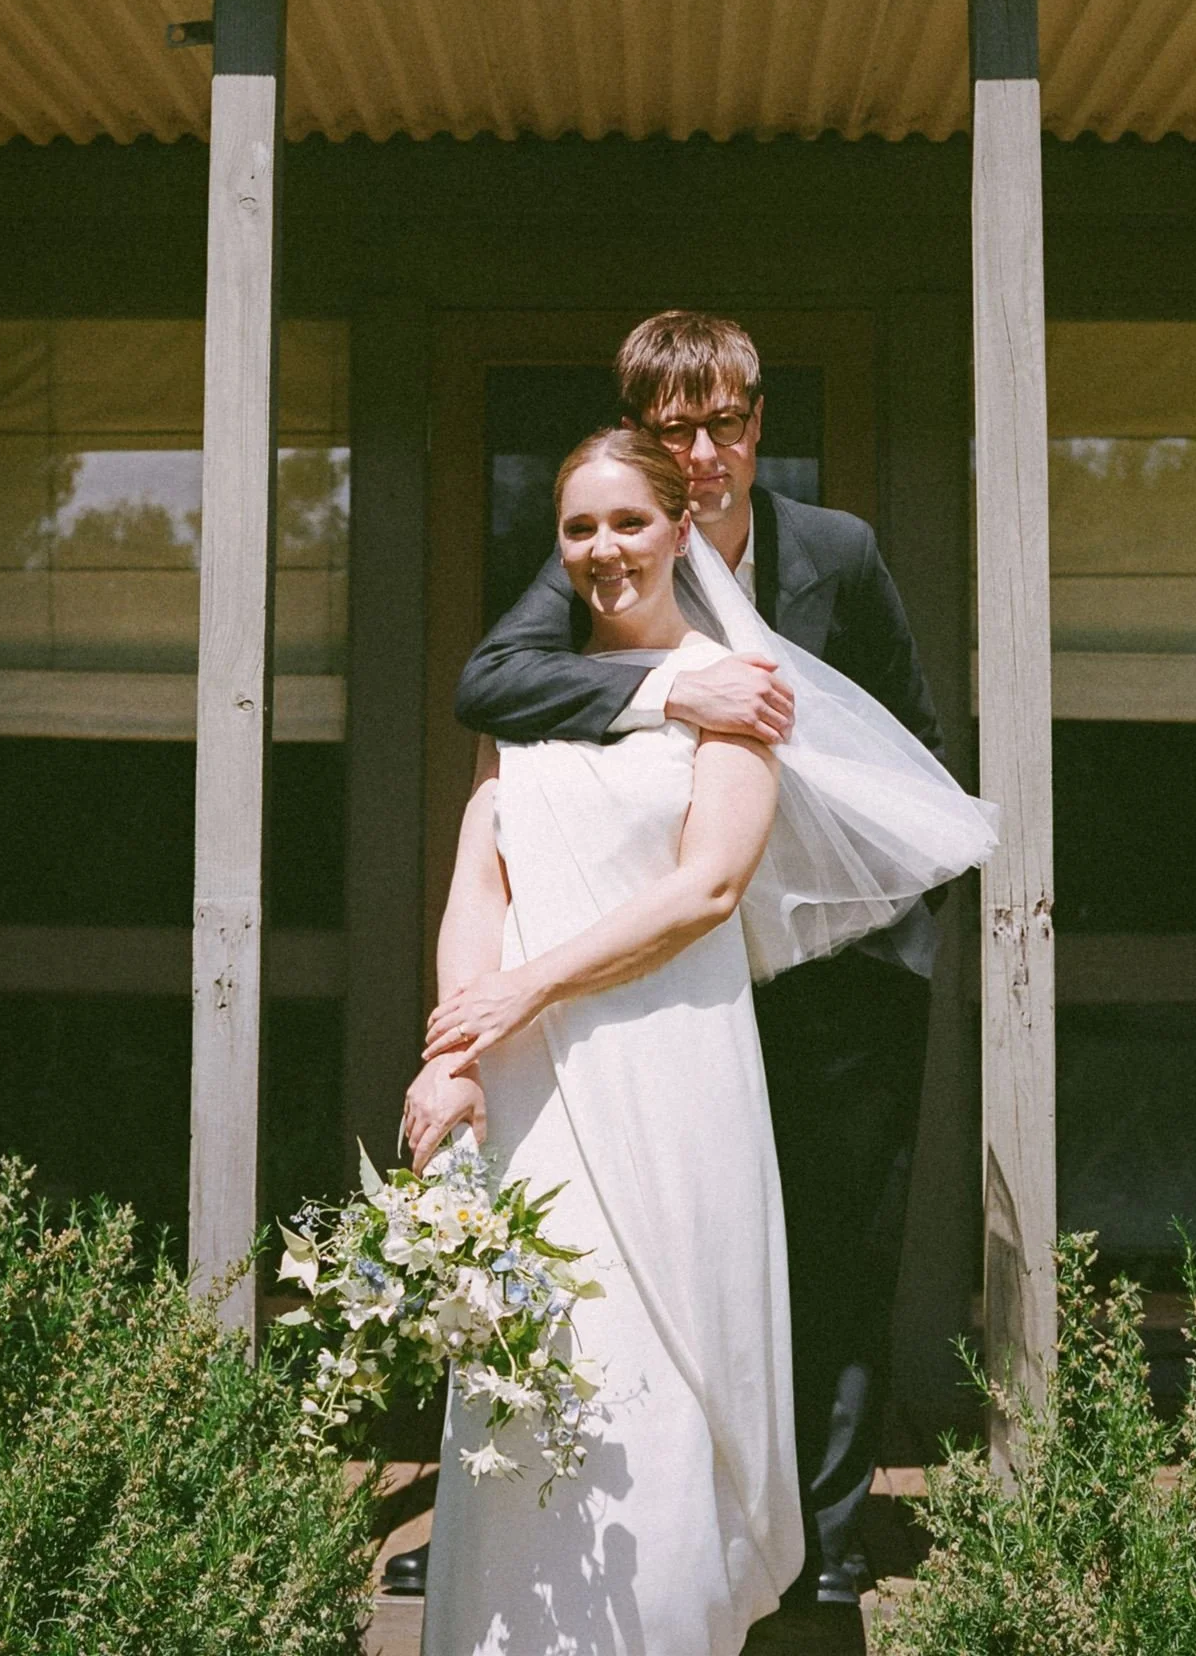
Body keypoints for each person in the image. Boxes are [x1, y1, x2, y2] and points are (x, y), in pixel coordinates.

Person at [443, 310, 952, 1612]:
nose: (706, 448)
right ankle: (620, 1520)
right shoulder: (601, 555)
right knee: (680, 1245)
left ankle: (823, 1551)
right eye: (675, 427)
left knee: (834, 1245)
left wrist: (849, 893)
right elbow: (492, 684)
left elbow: (907, 734)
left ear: (758, 423)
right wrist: (674, 693)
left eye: (727, 420)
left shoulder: (836, 553)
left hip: (839, 968)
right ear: (641, 441)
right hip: (671, 969)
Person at [404, 427, 803, 1655]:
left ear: (682, 530)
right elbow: (479, 878)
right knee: (526, 1355)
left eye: (627, 521)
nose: (602, 548)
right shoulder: (525, 690)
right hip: (526, 1084)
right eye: (578, 527)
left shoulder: (733, 695)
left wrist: (527, 986)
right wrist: (453, 1054)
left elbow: (705, 891)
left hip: (667, 1064)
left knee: (657, 1364)